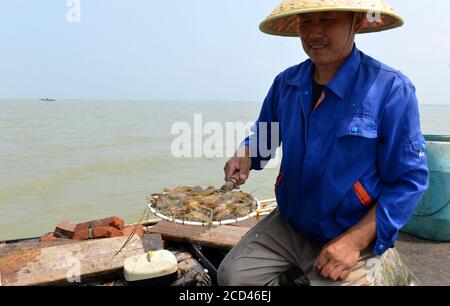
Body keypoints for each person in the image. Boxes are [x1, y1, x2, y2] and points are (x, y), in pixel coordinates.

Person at [218, 0, 429, 286]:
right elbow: (264, 139)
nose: (314, 33)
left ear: (356, 22)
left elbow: (408, 181)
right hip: (291, 224)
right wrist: (245, 155)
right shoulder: (286, 84)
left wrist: (354, 242)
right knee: (232, 277)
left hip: (352, 229)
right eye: (306, 21)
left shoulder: (391, 89)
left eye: (328, 19)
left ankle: (383, 260)